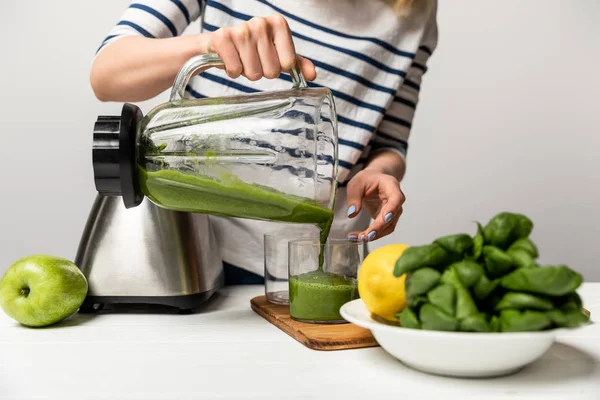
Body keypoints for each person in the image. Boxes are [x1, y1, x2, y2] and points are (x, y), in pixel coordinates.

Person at [90, 0, 438, 284]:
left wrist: (379, 172)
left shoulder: (415, 11)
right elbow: (107, 75)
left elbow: (391, 141)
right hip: (203, 256)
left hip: (326, 264)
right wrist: (209, 45)